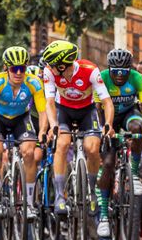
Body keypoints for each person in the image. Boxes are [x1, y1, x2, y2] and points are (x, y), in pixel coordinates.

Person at [41, 41, 114, 216]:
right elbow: (50, 102)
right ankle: (60, 196)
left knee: (92, 148)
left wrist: (108, 125)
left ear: (62, 64)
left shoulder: (90, 70)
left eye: (52, 65)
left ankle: (92, 191)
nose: (49, 68)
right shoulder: (49, 72)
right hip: (63, 110)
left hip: (86, 111)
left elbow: (106, 102)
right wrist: (54, 126)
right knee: (62, 144)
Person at [97, 48, 142, 238]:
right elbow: (97, 107)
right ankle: (104, 217)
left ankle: (135, 172)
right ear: (110, 69)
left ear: (130, 69)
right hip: (108, 117)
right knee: (107, 164)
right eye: (116, 72)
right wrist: (104, 129)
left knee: (138, 129)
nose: (120, 76)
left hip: (129, 114)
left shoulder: (138, 78)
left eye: (125, 71)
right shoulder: (102, 77)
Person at [0, 47, 47, 220]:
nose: (19, 73)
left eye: (22, 68)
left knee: (29, 152)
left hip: (21, 119)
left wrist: (42, 131)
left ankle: (28, 203)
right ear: (7, 68)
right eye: (14, 69)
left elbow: (43, 112)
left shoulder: (33, 82)